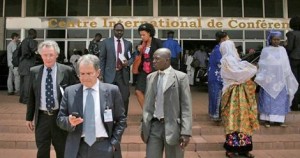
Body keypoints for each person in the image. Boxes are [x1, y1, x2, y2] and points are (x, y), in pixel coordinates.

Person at [57, 54, 127, 158]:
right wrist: (69, 121)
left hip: (104, 146)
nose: (85, 78)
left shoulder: (112, 91)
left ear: (98, 72)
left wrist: (113, 142)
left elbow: (121, 120)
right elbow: (60, 119)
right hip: (78, 147)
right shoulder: (70, 92)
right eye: (82, 74)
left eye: (89, 73)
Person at [26, 40, 79, 158]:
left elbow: (75, 94)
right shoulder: (34, 72)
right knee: (42, 151)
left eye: (51, 55)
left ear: (57, 55)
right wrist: (29, 117)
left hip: (60, 117)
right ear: (40, 55)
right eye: (45, 55)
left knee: (62, 150)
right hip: (42, 118)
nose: (48, 58)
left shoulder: (67, 71)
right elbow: (31, 96)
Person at [141, 48, 192, 158]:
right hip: (154, 126)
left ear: (167, 60)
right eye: (153, 59)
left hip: (173, 127)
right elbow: (148, 104)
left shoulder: (180, 77)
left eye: (157, 59)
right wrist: (143, 126)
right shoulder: (150, 77)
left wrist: (186, 132)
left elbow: (186, 106)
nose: (153, 61)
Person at [220, 40, 259, 158]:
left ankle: (244, 149)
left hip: (242, 96)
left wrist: (244, 74)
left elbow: (243, 74)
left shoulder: (238, 62)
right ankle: (231, 150)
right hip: (232, 96)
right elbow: (236, 75)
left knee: (244, 121)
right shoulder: (226, 61)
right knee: (233, 121)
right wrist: (246, 74)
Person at [255, 31, 298, 128]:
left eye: (278, 39)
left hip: (280, 80)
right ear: (270, 39)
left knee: (280, 100)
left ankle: (279, 120)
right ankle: (267, 120)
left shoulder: (282, 49)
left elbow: (286, 64)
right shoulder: (265, 50)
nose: (276, 41)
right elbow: (262, 64)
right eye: (274, 39)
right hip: (268, 80)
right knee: (268, 100)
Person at [100, 23, 133, 117]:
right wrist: (101, 73)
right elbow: (102, 58)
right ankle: (109, 119)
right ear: (113, 30)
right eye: (117, 30)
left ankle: (123, 118)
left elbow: (130, 58)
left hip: (123, 75)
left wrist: (128, 63)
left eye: (121, 30)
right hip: (109, 74)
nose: (119, 32)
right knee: (108, 98)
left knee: (125, 98)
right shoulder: (106, 42)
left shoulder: (128, 43)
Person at [135, 23, 163, 108]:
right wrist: (139, 51)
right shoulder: (141, 43)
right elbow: (138, 57)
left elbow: (163, 55)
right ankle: (146, 113)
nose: (142, 37)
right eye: (141, 35)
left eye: (143, 35)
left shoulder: (157, 42)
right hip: (144, 70)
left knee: (155, 93)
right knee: (138, 91)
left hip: (155, 70)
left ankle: (157, 114)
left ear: (149, 33)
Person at [208, 31, 228, 122]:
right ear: (223, 39)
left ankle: (214, 113)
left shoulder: (218, 49)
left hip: (215, 76)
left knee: (215, 95)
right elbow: (221, 62)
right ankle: (216, 115)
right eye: (227, 38)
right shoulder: (219, 50)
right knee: (217, 95)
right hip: (217, 76)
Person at [19, 28, 38, 104]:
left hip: (22, 64)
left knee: (22, 83)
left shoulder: (23, 41)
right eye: (36, 34)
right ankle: (26, 99)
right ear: (33, 34)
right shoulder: (32, 41)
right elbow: (33, 50)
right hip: (28, 64)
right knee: (28, 83)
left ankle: (21, 98)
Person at [285, 16, 300, 111]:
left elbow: (289, 48)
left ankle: (294, 104)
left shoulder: (291, 34)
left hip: (294, 59)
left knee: (294, 82)